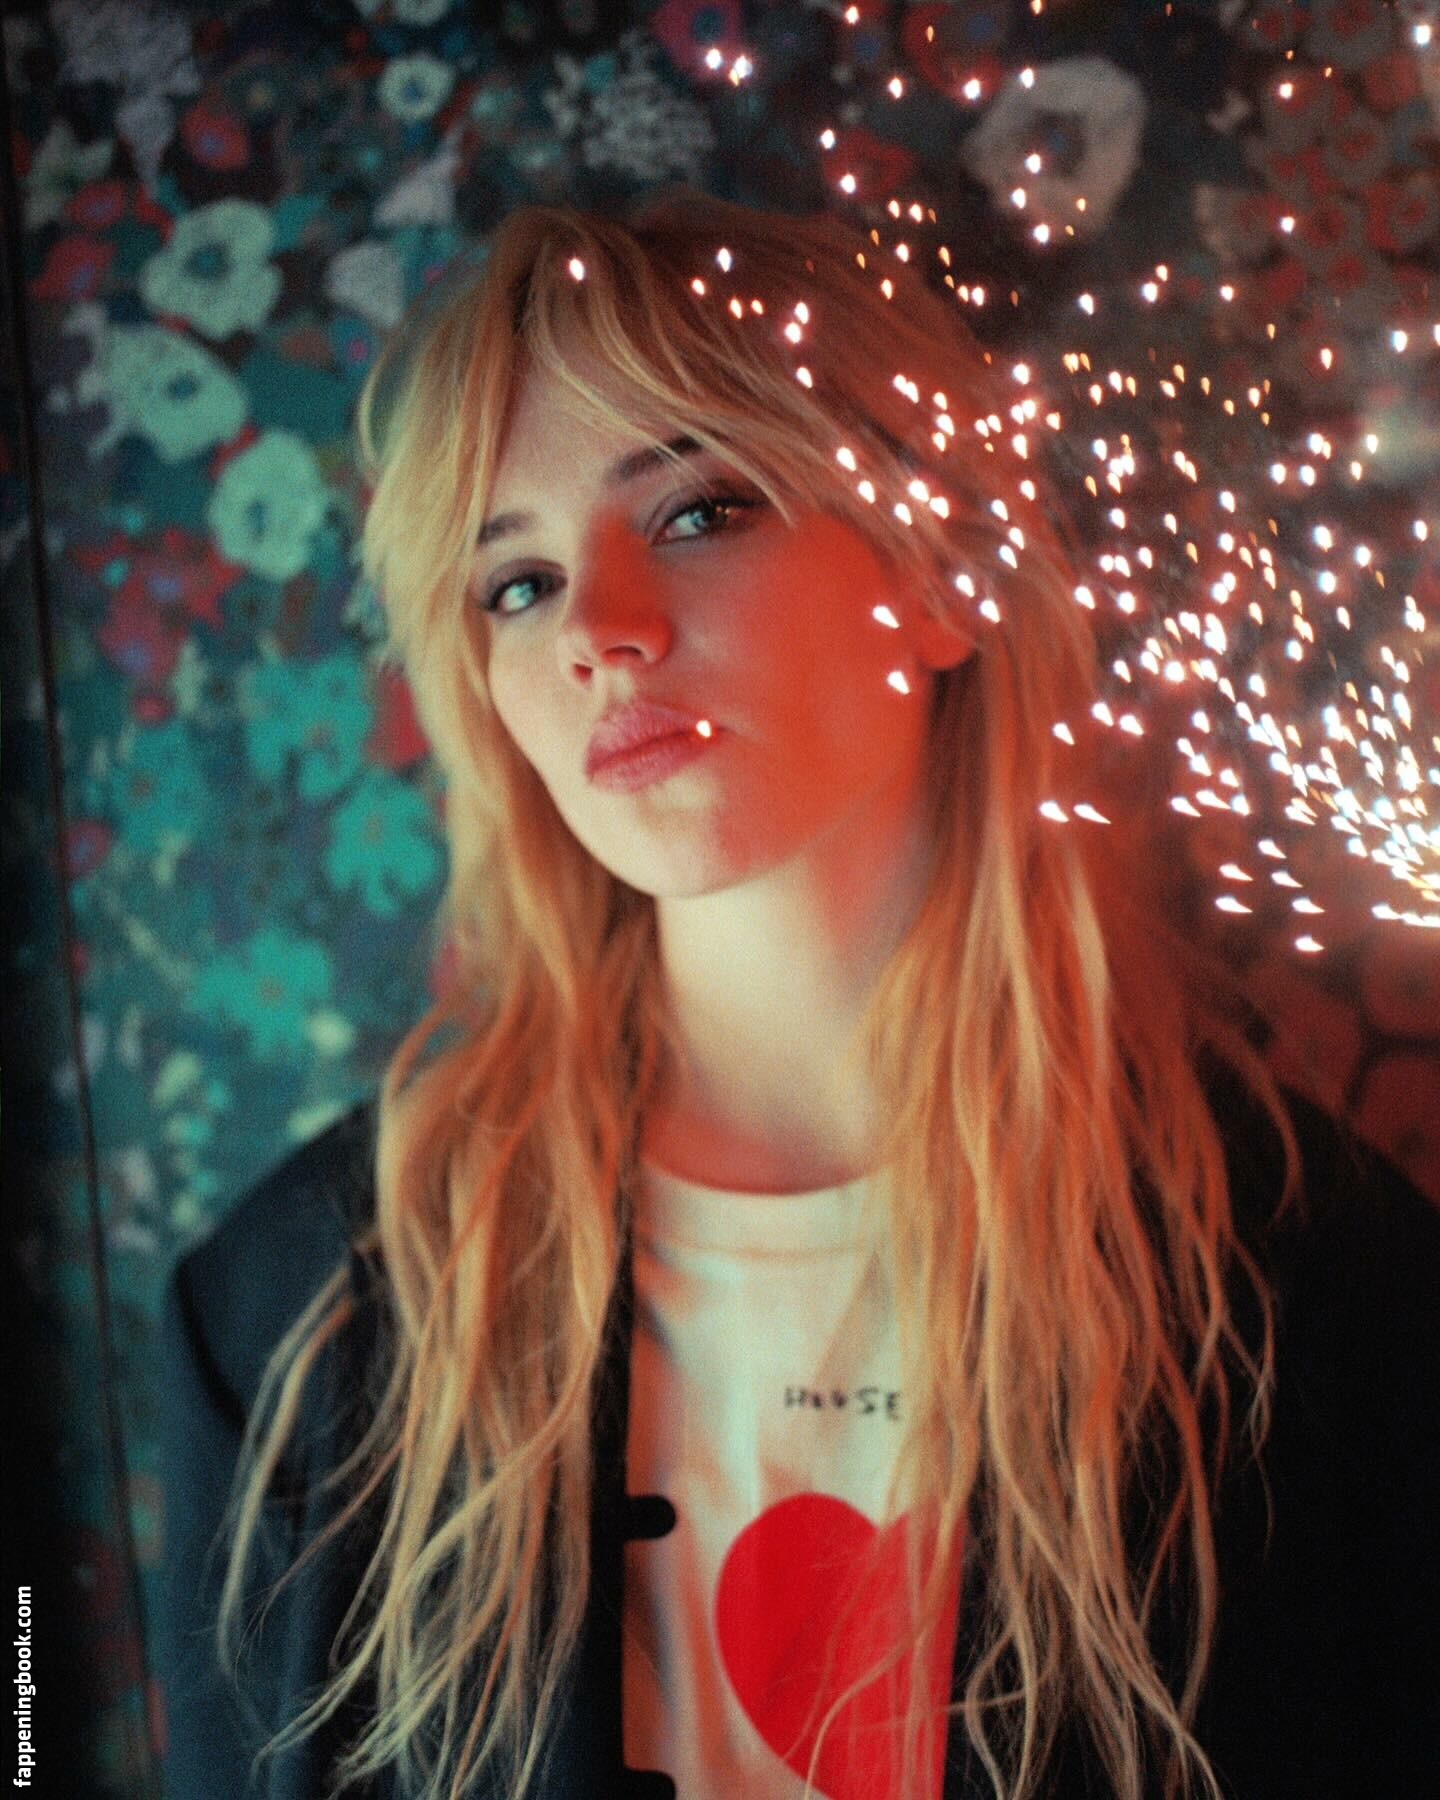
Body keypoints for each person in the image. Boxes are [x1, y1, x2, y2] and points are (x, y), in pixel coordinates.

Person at [158, 189, 1440, 1800]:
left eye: (699, 510)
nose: (600, 632)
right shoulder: (298, 1319)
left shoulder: (1313, 1290)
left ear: (945, 569)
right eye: (517, 585)